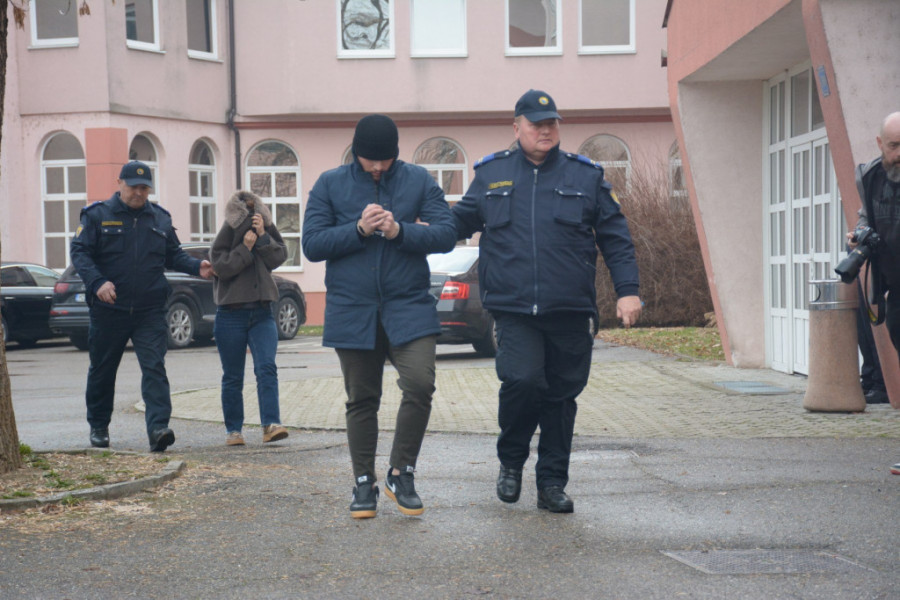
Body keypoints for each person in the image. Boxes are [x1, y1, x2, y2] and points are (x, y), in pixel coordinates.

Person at [452, 90, 642, 513]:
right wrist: (413, 229)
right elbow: (456, 223)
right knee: (521, 382)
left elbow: (616, 237)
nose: (545, 130)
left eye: (551, 123)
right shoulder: (492, 174)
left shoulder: (585, 175)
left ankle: (552, 483)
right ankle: (511, 463)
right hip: (514, 307)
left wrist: (628, 290)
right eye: (536, 124)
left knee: (560, 397)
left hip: (569, 309)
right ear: (516, 127)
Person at [302, 114, 456, 518]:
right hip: (352, 309)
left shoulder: (418, 180)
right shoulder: (329, 183)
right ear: (356, 153)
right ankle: (363, 482)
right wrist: (357, 229)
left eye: (385, 160)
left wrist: (400, 231)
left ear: (395, 154)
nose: (377, 167)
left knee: (420, 384)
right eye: (370, 160)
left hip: (410, 306)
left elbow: (446, 233)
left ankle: (401, 472)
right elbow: (312, 245)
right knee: (362, 399)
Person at [70, 161, 213, 452]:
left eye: (144, 188)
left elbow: (173, 255)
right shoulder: (97, 215)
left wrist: (197, 266)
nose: (138, 193)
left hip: (150, 309)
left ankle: (158, 429)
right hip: (109, 309)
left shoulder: (159, 218)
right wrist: (97, 282)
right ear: (120, 183)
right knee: (102, 370)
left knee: (154, 368)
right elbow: (80, 253)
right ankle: (99, 426)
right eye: (133, 187)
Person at [210, 190, 290, 447]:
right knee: (233, 375)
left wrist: (264, 236)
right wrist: (245, 248)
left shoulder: (265, 225)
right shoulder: (229, 227)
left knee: (266, 368)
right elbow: (220, 266)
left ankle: (271, 424)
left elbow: (279, 257)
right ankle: (234, 430)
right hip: (230, 313)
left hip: (262, 312)